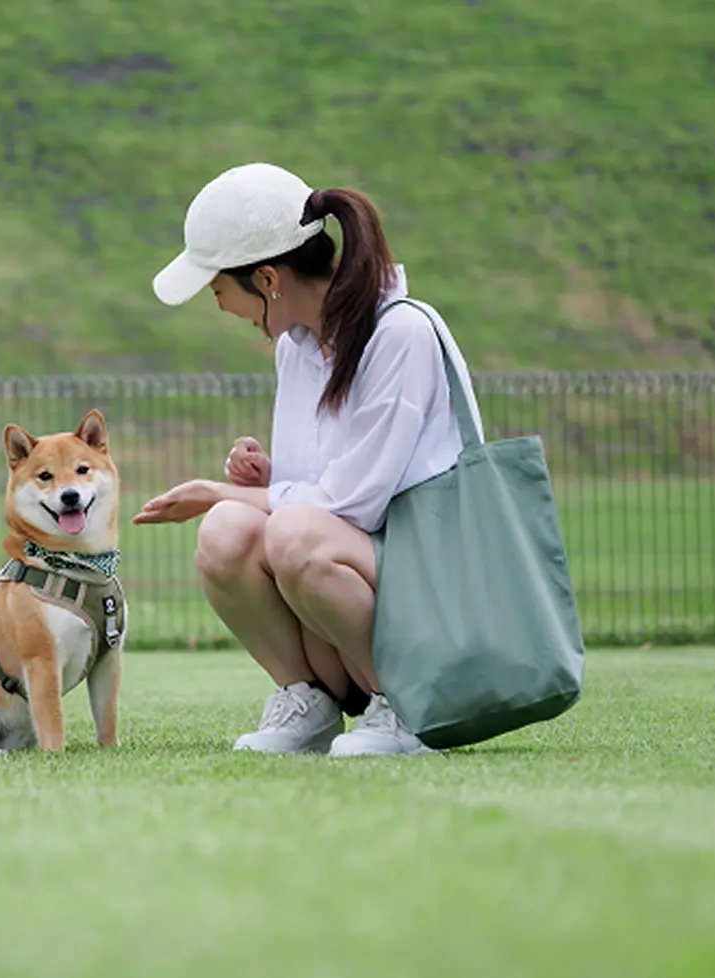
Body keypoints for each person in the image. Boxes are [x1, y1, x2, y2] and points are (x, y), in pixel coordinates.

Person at [134, 162, 483, 758]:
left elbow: (353, 505)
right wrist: (267, 480)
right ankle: (310, 702)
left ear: (268, 279)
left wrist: (220, 491)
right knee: (226, 532)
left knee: (284, 530)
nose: (221, 307)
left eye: (218, 290)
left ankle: (411, 706)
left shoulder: (400, 333)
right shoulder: (295, 349)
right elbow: (323, 490)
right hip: (362, 572)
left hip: (433, 588)